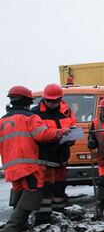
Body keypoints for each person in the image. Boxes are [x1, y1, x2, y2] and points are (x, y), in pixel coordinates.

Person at [0, 86, 69, 232]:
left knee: (19, 191)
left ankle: (19, 226)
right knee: (34, 192)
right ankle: (11, 228)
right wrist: (60, 132)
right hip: (28, 164)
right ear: (26, 102)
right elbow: (42, 134)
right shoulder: (30, 117)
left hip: (11, 165)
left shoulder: (3, 120)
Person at [31, 84, 77, 224]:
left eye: (55, 101)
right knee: (46, 188)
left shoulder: (66, 111)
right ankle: (43, 219)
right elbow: (39, 135)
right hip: (45, 157)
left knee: (60, 186)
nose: (51, 103)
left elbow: (73, 127)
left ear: (60, 99)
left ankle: (59, 214)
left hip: (61, 156)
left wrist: (71, 138)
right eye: (49, 100)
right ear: (44, 99)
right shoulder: (36, 113)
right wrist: (59, 134)